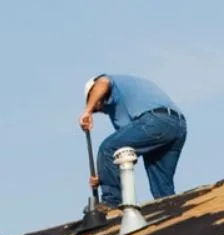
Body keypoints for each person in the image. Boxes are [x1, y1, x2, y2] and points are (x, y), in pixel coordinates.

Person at [79, 74, 187, 209]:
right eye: (95, 110)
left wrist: (87, 111)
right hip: (177, 126)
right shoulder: (121, 110)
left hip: (156, 121)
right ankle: (172, 212)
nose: (98, 109)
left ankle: (111, 203)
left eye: (95, 104)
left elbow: (103, 82)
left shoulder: (108, 82)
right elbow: (125, 155)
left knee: (107, 148)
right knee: (162, 188)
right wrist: (104, 177)